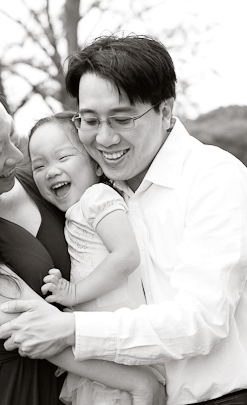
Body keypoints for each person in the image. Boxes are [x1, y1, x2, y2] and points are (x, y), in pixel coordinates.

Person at [0, 35, 247, 405]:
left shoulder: (214, 178)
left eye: (122, 119)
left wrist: (72, 329)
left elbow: (200, 321)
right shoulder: (98, 189)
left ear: (165, 111)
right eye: (90, 120)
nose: (104, 138)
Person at [0, 77, 165, 405]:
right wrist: (139, 382)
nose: (15, 154)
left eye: (11, 135)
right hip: (5, 393)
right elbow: (34, 326)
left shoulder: (40, 183)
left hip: (77, 389)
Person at [28, 112, 160, 404]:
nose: (51, 171)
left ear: (97, 164)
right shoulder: (73, 213)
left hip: (123, 351)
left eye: (63, 158)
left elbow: (126, 256)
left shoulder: (97, 197)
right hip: (102, 355)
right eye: (39, 165)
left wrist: (73, 293)